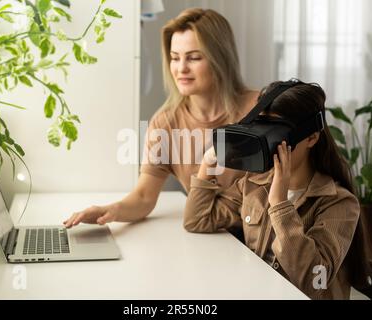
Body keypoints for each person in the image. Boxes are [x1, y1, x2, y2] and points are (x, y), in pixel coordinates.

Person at [64, 8, 259, 227]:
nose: (181, 68)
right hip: (208, 233)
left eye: (194, 58)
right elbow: (144, 197)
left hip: (261, 243)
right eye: (175, 58)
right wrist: (109, 211)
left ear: (220, 59)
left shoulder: (259, 109)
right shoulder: (165, 123)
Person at [183, 80, 370, 299]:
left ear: (311, 137)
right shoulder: (254, 185)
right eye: (261, 127)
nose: (267, 142)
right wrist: (208, 162)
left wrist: (280, 205)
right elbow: (197, 220)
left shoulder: (339, 203)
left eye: (276, 133)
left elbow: (313, 280)